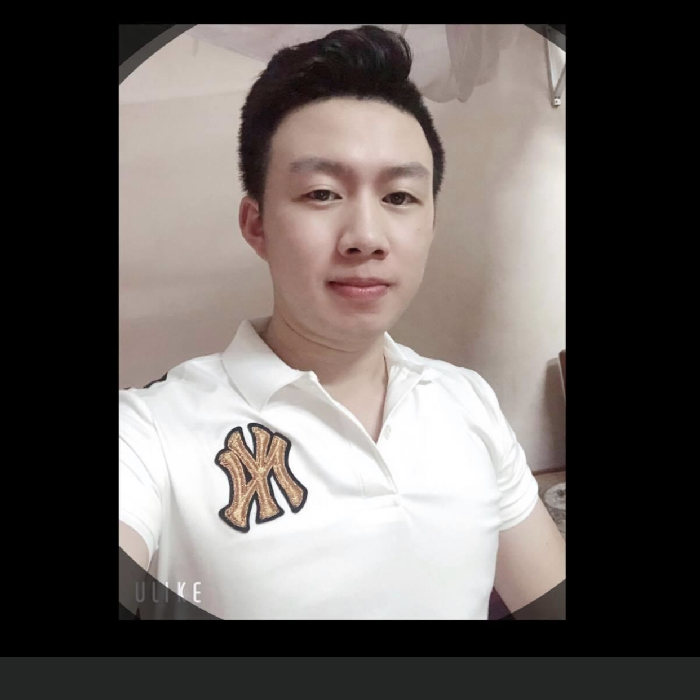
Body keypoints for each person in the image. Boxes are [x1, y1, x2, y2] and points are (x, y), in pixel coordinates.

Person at [119, 25, 566, 620]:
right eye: (323, 193)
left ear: (432, 222)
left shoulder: (467, 402)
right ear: (256, 224)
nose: (366, 237)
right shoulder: (151, 432)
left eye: (400, 197)